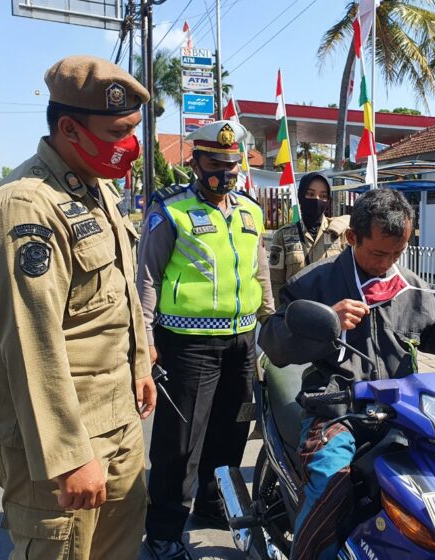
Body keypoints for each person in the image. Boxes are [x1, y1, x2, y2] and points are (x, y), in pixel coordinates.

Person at [0, 55, 156, 560]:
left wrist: (139, 364)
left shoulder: (96, 188)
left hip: (114, 415)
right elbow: (32, 343)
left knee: (116, 549)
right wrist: (68, 457)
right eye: (119, 132)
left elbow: (117, 290)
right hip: (55, 433)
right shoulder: (24, 205)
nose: (131, 146)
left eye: (134, 130)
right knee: (61, 549)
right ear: (70, 128)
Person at [259, 188, 435, 560]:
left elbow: (432, 335)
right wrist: (329, 319)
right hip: (338, 408)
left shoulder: (409, 284)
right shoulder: (314, 283)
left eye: (398, 253)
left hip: (404, 408)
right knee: (330, 478)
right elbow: (274, 341)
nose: (388, 263)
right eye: (379, 253)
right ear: (352, 238)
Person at [138, 119, 275, 560]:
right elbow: (146, 278)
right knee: (180, 444)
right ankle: (163, 531)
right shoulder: (170, 209)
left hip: (242, 342)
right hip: (187, 345)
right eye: (215, 162)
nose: (225, 171)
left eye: (232, 163)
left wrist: (269, 326)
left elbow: (261, 274)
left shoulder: (251, 211)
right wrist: (145, 342)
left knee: (232, 432)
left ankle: (214, 505)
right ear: (195, 161)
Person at [269, 172, 349, 297]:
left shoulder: (339, 232)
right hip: (296, 310)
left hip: (331, 312)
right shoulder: (283, 236)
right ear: (301, 196)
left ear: (328, 200)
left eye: (323, 196)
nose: (317, 200)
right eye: (310, 194)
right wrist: (283, 313)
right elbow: (275, 282)